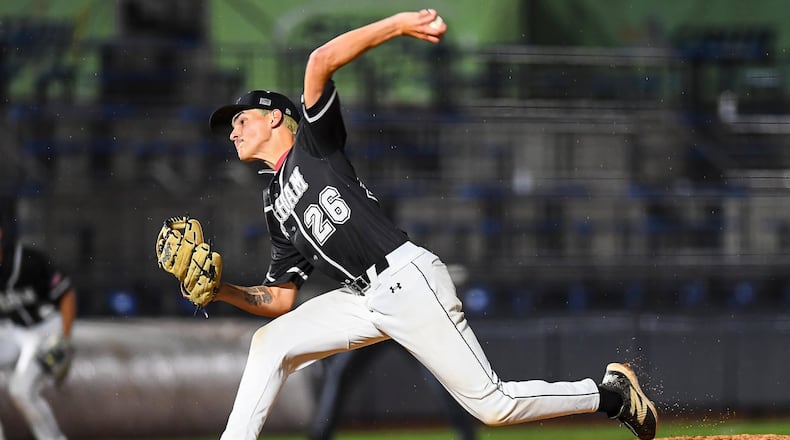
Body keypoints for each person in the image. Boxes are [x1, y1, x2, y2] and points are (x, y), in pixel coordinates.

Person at [202, 8, 657, 440]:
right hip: (359, 300)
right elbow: (280, 298)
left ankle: (610, 396)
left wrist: (400, 24)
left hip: (405, 281)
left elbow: (320, 61)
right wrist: (220, 289)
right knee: (270, 342)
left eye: (241, 119)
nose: (233, 131)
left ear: (276, 116)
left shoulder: (314, 146)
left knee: (492, 406)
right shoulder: (274, 200)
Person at [0, 221, 76, 440]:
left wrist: (66, 339)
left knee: (21, 391)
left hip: (46, 328)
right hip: (14, 331)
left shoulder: (26, 260)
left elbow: (66, 294)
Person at [310, 341, 477, 440]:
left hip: (405, 320)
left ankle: (467, 435)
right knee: (340, 375)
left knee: (440, 378)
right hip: (375, 321)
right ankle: (320, 436)